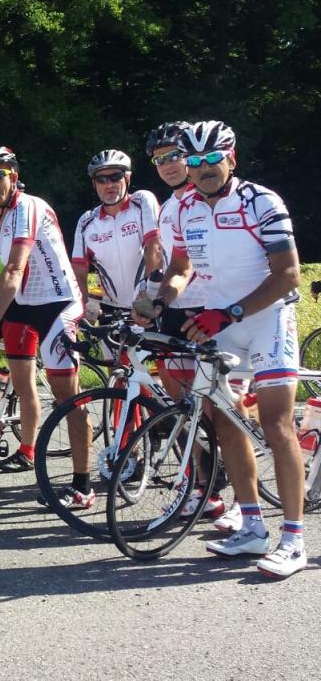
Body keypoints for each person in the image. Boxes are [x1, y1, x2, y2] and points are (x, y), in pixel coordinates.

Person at [144, 120, 306, 579]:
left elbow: (289, 274)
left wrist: (231, 312)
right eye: (194, 161)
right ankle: (252, 524)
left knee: (276, 425)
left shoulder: (260, 201)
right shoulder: (184, 209)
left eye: (213, 158)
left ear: (231, 158)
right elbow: (179, 267)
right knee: (226, 419)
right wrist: (161, 299)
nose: (203, 168)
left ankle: (293, 539)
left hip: (265, 318)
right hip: (219, 323)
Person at [0, 146, 90, 502]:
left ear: (14, 175)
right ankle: (26, 447)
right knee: (21, 381)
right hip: (23, 304)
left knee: (66, 394)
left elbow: (13, 269)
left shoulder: (28, 207)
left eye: (0, 174)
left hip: (58, 305)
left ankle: (83, 484)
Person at [144, 122, 233, 524]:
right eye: (158, 159)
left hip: (214, 309)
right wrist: (151, 299)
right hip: (179, 309)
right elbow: (172, 266)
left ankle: (216, 481)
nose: (167, 165)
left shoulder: (214, 197)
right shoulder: (169, 207)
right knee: (180, 400)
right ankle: (200, 482)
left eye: (174, 156)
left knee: (216, 404)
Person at [70, 150, 162, 319]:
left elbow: (154, 249)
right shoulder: (86, 222)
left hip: (147, 304)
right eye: (102, 179)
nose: (109, 184)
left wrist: (147, 298)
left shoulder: (142, 202)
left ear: (127, 178)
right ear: (94, 183)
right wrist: (92, 300)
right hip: (112, 310)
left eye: (115, 177)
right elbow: (86, 271)